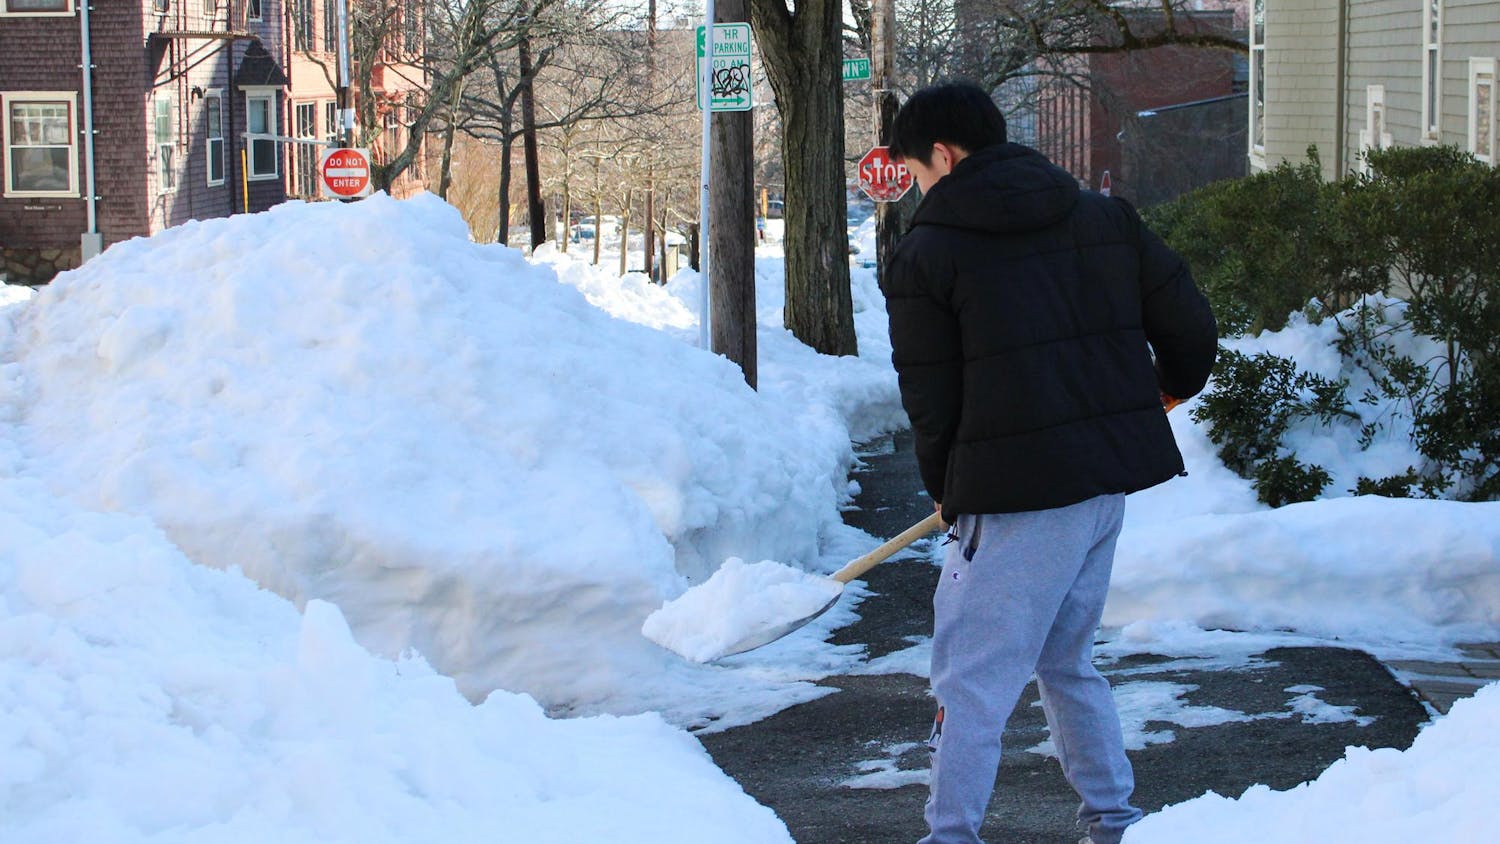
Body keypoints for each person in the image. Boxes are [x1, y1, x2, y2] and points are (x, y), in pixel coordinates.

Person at [881, 82, 1218, 844]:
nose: (917, 190)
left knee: (969, 680)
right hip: (1102, 491)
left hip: (1016, 502)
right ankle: (1114, 822)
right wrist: (1163, 393)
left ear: (943, 152)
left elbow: (931, 403)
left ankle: (952, 835)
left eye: (917, 173)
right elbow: (1192, 334)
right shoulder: (1104, 216)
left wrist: (950, 497)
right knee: (1067, 661)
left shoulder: (927, 255)